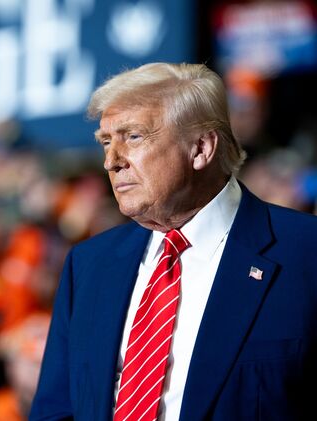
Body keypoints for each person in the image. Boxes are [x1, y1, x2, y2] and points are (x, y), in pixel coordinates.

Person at [30, 62, 317, 421]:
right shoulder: (89, 265)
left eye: (133, 136)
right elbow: (56, 411)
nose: (111, 161)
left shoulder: (306, 252)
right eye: (106, 141)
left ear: (201, 148)